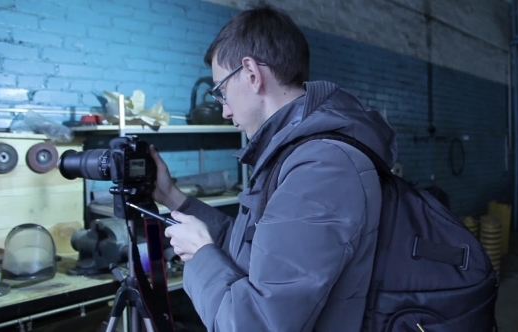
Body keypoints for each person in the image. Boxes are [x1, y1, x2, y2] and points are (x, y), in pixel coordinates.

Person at [150, 3, 398, 331]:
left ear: (251, 74)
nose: (224, 111)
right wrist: (171, 196)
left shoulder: (320, 168)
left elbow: (256, 325)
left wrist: (200, 254)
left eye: (221, 92)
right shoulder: (292, 154)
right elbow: (250, 248)